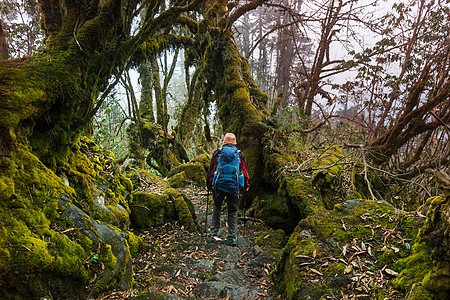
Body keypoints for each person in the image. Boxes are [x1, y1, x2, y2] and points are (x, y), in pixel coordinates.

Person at [206, 133, 250, 246]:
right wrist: (246, 185)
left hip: (219, 186)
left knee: (217, 206)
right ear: (235, 142)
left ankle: (214, 231)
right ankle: (232, 238)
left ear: (224, 141)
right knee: (233, 211)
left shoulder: (218, 153)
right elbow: (244, 171)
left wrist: (209, 184)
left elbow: (211, 170)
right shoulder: (239, 154)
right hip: (234, 187)